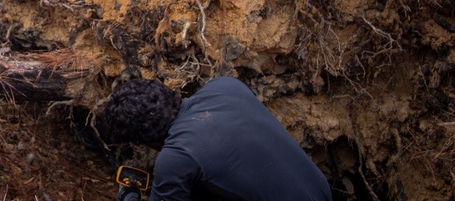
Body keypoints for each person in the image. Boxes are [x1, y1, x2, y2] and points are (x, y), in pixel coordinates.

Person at [96, 77, 332, 201]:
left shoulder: (176, 157)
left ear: (145, 141)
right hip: (321, 192)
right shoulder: (225, 86)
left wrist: (129, 197)